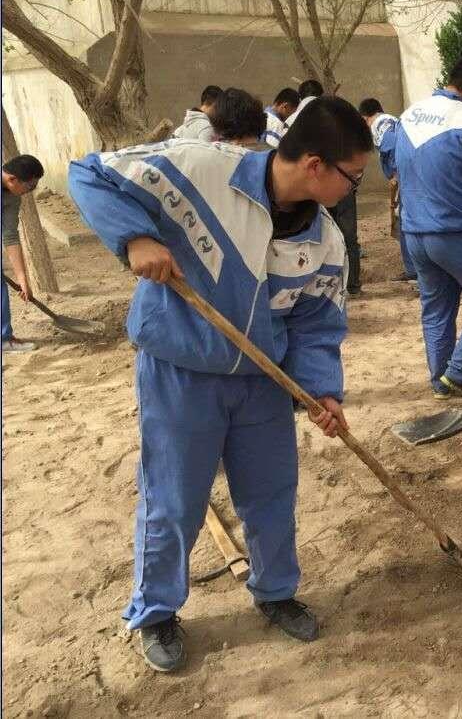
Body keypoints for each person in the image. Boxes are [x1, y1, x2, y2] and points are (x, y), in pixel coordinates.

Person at [68, 96, 372, 673]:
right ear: (315, 164)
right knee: (175, 496)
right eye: (352, 176)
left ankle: (275, 591)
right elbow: (88, 173)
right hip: (182, 372)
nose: (354, 188)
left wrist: (322, 392)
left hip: (262, 380)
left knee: (271, 493)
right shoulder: (200, 170)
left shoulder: (325, 242)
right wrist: (135, 237)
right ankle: (155, 610)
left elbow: (316, 323)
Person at [394, 51, 462, 399]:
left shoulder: (409, 116)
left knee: (437, 305)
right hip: (457, 233)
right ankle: (459, 374)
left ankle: (439, 377)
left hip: (414, 234)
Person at [358, 97, 416, 282]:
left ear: (365, 117)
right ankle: (414, 269)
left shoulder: (381, 123)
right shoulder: (391, 121)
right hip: (409, 175)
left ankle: (414, 271)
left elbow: (391, 146)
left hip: (406, 178)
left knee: (406, 221)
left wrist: (395, 174)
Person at [1, 154, 45, 353]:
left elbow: (10, 236)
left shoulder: (11, 198)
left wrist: (22, 279)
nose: (30, 191)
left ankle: (4, 338)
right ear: (12, 179)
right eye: (30, 187)